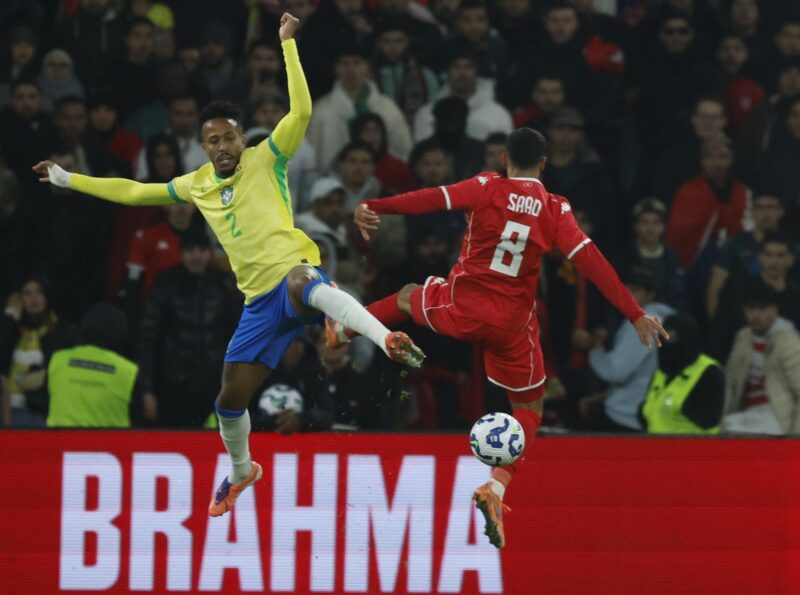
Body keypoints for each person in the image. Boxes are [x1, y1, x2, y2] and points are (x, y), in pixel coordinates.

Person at [33, 13, 423, 519]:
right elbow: (133, 192)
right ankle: (243, 471)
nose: (222, 146)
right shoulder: (196, 183)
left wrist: (287, 46)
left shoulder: (268, 158)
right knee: (228, 401)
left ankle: (381, 336)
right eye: (212, 140)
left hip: (293, 274)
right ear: (204, 145)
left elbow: (301, 111)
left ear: (243, 140)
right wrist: (70, 180)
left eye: (229, 138)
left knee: (304, 280)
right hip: (258, 303)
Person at [328, 128, 668, 548]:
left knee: (405, 297)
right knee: (530, 409)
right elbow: (591, 263)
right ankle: (497, 486)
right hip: (511, 326)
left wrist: (374, 205)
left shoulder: (485, 186)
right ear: (544, 164)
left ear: (505, 158)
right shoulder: (555, 208)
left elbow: (430, 198)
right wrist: (634, 313)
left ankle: (343, 328)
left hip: (462, 308)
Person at [136, 232, 240, 427]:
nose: (196, 257)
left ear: (209, 253)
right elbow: (147, 339)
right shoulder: (166, 284)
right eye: (190, 251)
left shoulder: (225, 285)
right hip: (173, 386)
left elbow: (240, 336)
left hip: (216, 384)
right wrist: (147, 390)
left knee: (218, 447)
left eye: (201, 251)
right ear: (181, 254)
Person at [585, 268, 675, 432]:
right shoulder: (667, 319)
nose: (627, 296)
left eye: (635, 290)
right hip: (653, 412)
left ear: (650, 294)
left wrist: (595, 349)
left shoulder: (642, 323)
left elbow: (615, 372)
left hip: (626, 415)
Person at [307, 45, 412, 174]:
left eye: (357, 63)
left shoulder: (387, 107)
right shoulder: (322, 110)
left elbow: (404, 149)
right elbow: (312, 153)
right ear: (336, 69)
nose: (351, 70)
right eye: (344, 64)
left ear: (367, 67)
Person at [722, 282, 800, 435]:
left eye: (763, 308)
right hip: (747, 413)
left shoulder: (788, 342)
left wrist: (796, 438)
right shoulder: (743, 338)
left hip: (777, 416)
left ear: (775, 310)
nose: (756, 315)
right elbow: (730, 383)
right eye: (751, 309)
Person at [0, 276, 78, 427]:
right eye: (27, 294)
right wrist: (9, 317)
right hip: (10, 412)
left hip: (45, 413)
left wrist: (44, 375)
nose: (34, 298)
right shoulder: (12, 330)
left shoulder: (63, 331)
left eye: (39, 292)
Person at [46, 303, 140, 428]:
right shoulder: (128, 371)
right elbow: (139, 419)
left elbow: (44, 401)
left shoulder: (58, 359)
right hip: (111, 445)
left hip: (58, 444)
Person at [641, 313, 725, 434]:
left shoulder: (709, 372)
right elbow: (648, 410)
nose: (669, 345)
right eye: (664, 339)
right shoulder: (662, 371)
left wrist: (683, 406)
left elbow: (709, 419)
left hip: (694, 450)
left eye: (674, 339)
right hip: (657, 449)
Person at [413, 53, 513, 143]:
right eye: (456, 67)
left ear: (476, 72)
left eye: (468, 67)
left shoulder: (498, 114)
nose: (462, 73)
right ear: (448, 72)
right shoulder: (427, 114)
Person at [621, 198, 685, 309]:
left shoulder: (671, 258)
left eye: (656, 222)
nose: (650, 228)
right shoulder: (624, 256)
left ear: (663, 227)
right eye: (645, 222)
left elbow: (678, 296)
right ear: (635, 226)